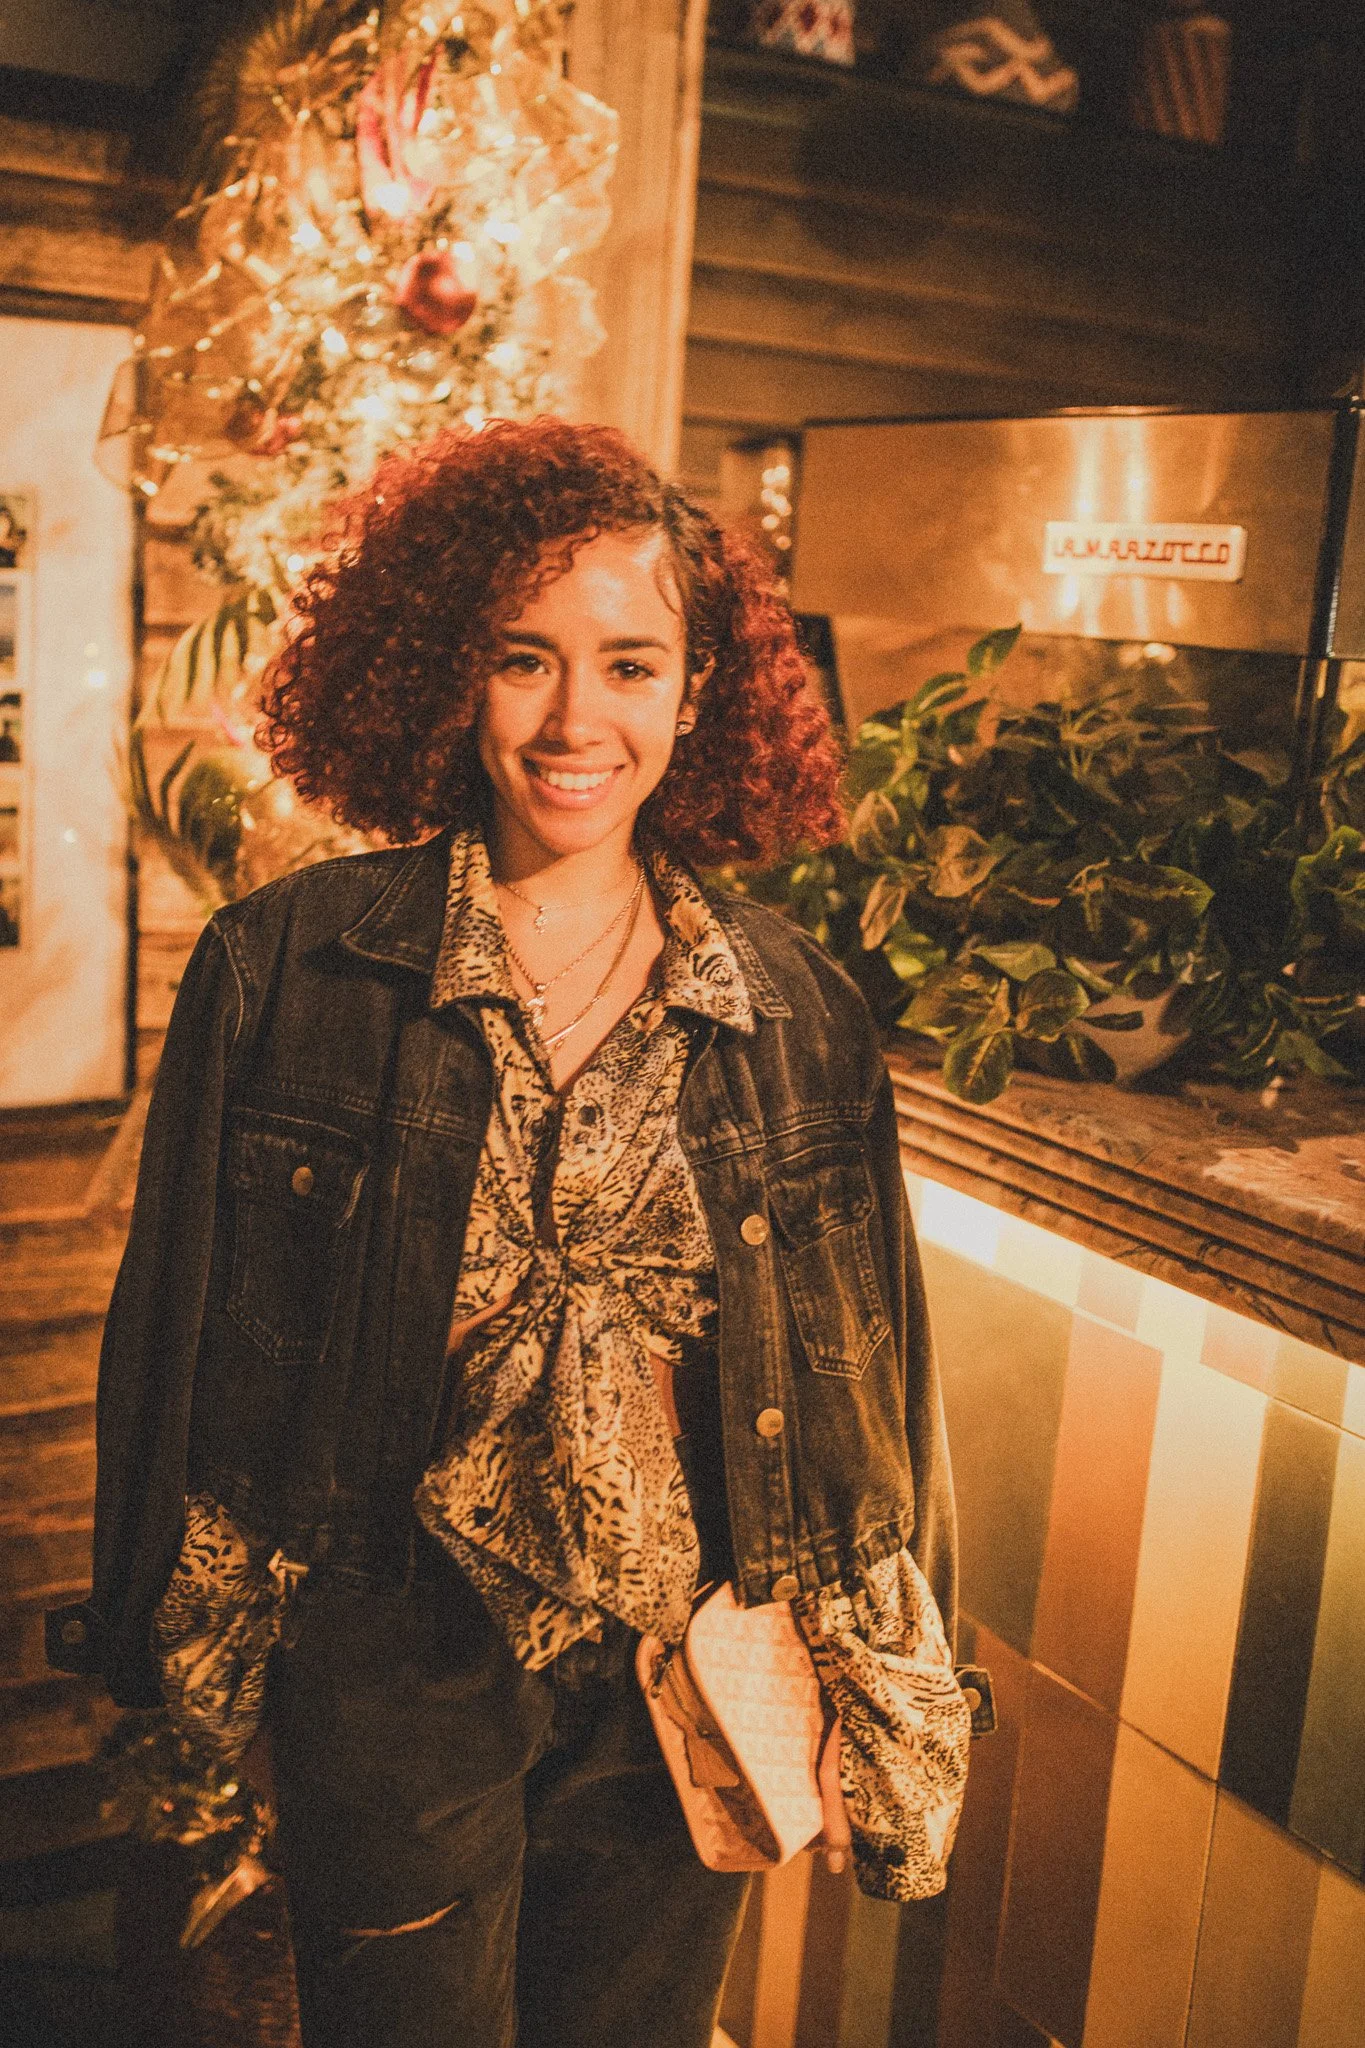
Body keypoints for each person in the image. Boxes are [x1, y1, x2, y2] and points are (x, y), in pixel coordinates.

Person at [53, 419, 970, 2048]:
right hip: (392, 1649)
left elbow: (867, 1377)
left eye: (630, 665)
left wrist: (888, 1683)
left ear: (697, 693)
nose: (574, 721)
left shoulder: (797, 1009)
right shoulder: (287, 969)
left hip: (689, 1658)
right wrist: (176, 1638)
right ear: (447, 673)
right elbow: (177, 1343)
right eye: (523, 658)